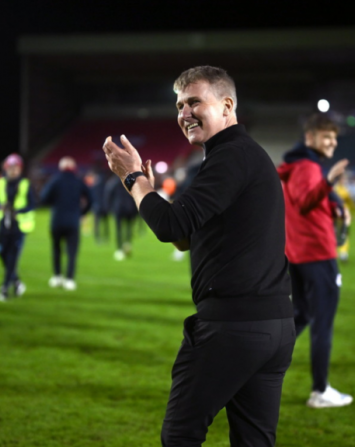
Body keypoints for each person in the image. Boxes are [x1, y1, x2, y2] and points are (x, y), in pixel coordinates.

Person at [104, 66, 295, 446]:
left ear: (227, 106)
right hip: (273, 325)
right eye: (179, 105)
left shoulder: (230, 156)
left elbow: (171, 227)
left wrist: (132, 179)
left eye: (194, 102)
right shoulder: (242, 156)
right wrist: (148, 194)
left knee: (180, 434)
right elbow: (187, 239)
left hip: (233, 327)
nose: (184, 113)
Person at [276, 113, 352, 408]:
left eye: (334, 137)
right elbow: (306, 201)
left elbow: (306, 199)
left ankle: (255, 367)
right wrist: (329, 182)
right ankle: (320, 390)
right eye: (326, 136)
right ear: (310, 138)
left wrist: (332, 202)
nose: (332, 142)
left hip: (297, 255)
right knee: (323, 324)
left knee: (301, 317)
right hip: (318, 255)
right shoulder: (308, 166)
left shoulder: (296, 166)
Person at [39, 156, 92, 290]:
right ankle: (69, 279)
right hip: (73, 221)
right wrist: (82, 213)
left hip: (57, 220)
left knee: (56, 249)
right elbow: (91, 199)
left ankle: (57, 276)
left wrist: (55, 203)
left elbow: (44, 198)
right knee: (72, 252)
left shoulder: (55, 180)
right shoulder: (78, 181)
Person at [0, 153, 36, 301]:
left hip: (19, 226)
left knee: (12, 257)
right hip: (3, 224)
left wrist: (19, 211)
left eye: (15, 167)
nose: (13, 170)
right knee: (1, 252)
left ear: (20, 169)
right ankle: (16, 281)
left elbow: (32, 204)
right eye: (10, 167)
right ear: (5, 168)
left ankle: (4, 287)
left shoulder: (25, 184)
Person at [104, 173, 137, 260]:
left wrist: (109, 208)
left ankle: (120, 249)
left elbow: (108, 195)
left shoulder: (113, 182)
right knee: (128, 228)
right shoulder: (130, 181)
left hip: (118, 209)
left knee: (119, 230)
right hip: (129, 208)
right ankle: (127, 244)